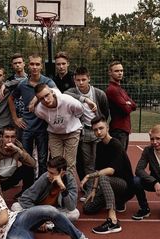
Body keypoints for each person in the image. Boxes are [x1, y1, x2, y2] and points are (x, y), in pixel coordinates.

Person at [80, 115, 134, 234]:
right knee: (88, 208)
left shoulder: (116, 144)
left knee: (103, 178)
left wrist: (89, 176)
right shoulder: (99, 145)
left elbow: (110, 170)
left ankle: (113, 221)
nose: (98, 132)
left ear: (107, 127)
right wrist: (93, 190)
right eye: (95, 130)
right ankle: (114, 200)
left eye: (101, 128)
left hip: (125, 186)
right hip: (110, 184)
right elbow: (98, 169)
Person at [8, 54, 56, 177]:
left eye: (37, 64)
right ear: (28, 65)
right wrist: (15, 118)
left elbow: (56, 93)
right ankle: (27, 187)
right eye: (32, 64)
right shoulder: (22, 84)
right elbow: (11, 99)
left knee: (42, 160)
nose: (34, 67)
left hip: (42, 128)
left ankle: (42, 186)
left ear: (41, 67)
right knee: (26, 159)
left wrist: (36, 99)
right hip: (27, 127)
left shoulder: (48, 82)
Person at [65, 67, 109, 197]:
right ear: (74, 80)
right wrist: (85, 99)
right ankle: (90, 190)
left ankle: (101, 188)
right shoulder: (73, 92)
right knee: (88, 163)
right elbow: (64, 94)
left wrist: (104, 129)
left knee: (99, 161)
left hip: (98, 132)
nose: (81, 82)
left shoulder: (99, 94)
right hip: (84, 132)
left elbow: (106, 113)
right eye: (78, 80)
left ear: (89, 78)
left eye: (84, 79)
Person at [34, 83, 84, 175]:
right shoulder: (39, 110)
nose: (45, 100)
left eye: (47, 95)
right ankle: (58, 187)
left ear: (51, 92)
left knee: (70, 163)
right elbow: (44, 119)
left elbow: (80, 110)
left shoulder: (67, 100)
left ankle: (70, 187)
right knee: (56, 163)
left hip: (72, 132)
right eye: (41, 98)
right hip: (55, 134)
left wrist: (72, 120)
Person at [11, 156, 80, 222]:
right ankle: (48, 223)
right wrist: (38, 215)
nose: (48, 175)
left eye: (52, 173)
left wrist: (63, 188)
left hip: (56, 210)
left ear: (62, 173)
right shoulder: (45, 177)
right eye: (48, 171)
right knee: (15, 206)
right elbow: (25, 199)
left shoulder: (69, 180)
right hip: (38, 209)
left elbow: (71, 207)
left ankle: (42, 222)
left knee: (74, 213)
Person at [0, 125, 36, 197]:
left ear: (16, 138)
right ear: (1, 137)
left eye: (12, 137)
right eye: (7, 137)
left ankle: (25, 194)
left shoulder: (17, 147)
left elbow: (33, 164)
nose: (10, 140)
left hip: (10, 179)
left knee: (28, 167)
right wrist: (0, 199)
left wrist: (19, 150)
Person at [106, 61, 137, 151]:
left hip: (123, 130)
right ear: (110, 72)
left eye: (121, 70)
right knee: (119, 159)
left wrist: (128, 103)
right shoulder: (112, 90)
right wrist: (127, 103)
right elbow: (126, 110)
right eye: (116, 71)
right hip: (118, 130)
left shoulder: (120, 89)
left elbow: (134, 105)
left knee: (121, 158)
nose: (120, 73)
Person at [6, 53, 28, 140]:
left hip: (29, 117)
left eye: (19, 62)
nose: (17, 65)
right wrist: (15, 118)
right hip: (15, 118)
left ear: (24, 63)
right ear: (12, 65)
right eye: (15, 63)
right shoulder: (9, 81)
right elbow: (9, 99)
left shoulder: (31, 78)